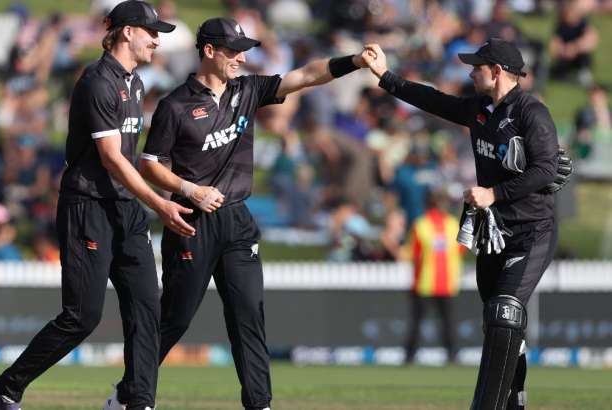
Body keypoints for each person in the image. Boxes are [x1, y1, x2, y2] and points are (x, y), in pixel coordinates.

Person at [139, 17, 374, 410]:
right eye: (234, 50)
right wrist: (189, 189)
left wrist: (353, 60)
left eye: (244, 50)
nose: (242, 57)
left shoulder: (248, 89)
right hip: (192, 222)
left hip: (238, 220)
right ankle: (132, 393)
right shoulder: (175, 105)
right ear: (209, 51)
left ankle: (259, 403)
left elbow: (307, 75)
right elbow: (149, 164)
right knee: (175, 319)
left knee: (248, 316)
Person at [0, 2, 192, 410]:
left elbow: (130, 159)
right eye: (151, 31)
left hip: (126, 209)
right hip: (88, 207)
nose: (156, 39)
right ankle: (4, 388)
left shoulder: (136, 83)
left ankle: (136, 400)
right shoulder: (98, 81)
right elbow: (111, 157)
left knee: (147, 310)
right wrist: (159, 204)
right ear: (128, 32)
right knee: (82, 317)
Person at [365, 38, 564, 409]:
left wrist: (495, 193)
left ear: (497, 71)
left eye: (477, 66)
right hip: (496, 233)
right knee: (500, 325)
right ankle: (514, 399)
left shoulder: (531, 112)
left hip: (532, 231)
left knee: (505, 311)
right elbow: (433, 100)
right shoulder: (480, 109)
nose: (471, 72)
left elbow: (548, 170)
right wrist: (386, 76)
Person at [403, 189, 462, 365]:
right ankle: (452, 357)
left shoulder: (421, 225)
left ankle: (409, 357)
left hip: (424, 283)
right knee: (448, 323)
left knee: (417, 323)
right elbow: (461, 250)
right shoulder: (453, 224)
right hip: (448, 284)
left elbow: (413, 254)